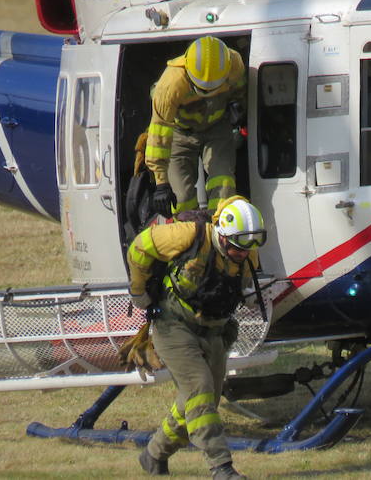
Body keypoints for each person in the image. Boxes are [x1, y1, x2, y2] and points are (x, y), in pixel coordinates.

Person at [128, 196, 267, 479]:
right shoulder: (189, 235)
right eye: (237, 247)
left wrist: (250, 294)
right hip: (174, 325)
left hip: (216, 331)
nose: (243, 254)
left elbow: (244, 281)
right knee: (199, 388)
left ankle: (154, 454)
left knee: (199, 402)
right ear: (222, 234)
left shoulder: (247, 248)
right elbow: (140, 246)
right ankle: (221, 467)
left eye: (249, 247)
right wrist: (138, 291)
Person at [145, 36, 247, 217]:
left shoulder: (235, 66)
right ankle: (190, 236)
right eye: (203, 90)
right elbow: (158, 134)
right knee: (181, 197)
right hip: (179, 134)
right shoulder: (170, 84)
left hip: (218, 128)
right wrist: (161, 183)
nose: (208, 93)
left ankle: (219, 235)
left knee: (223, 187)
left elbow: (241, 91)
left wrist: (239, 107)